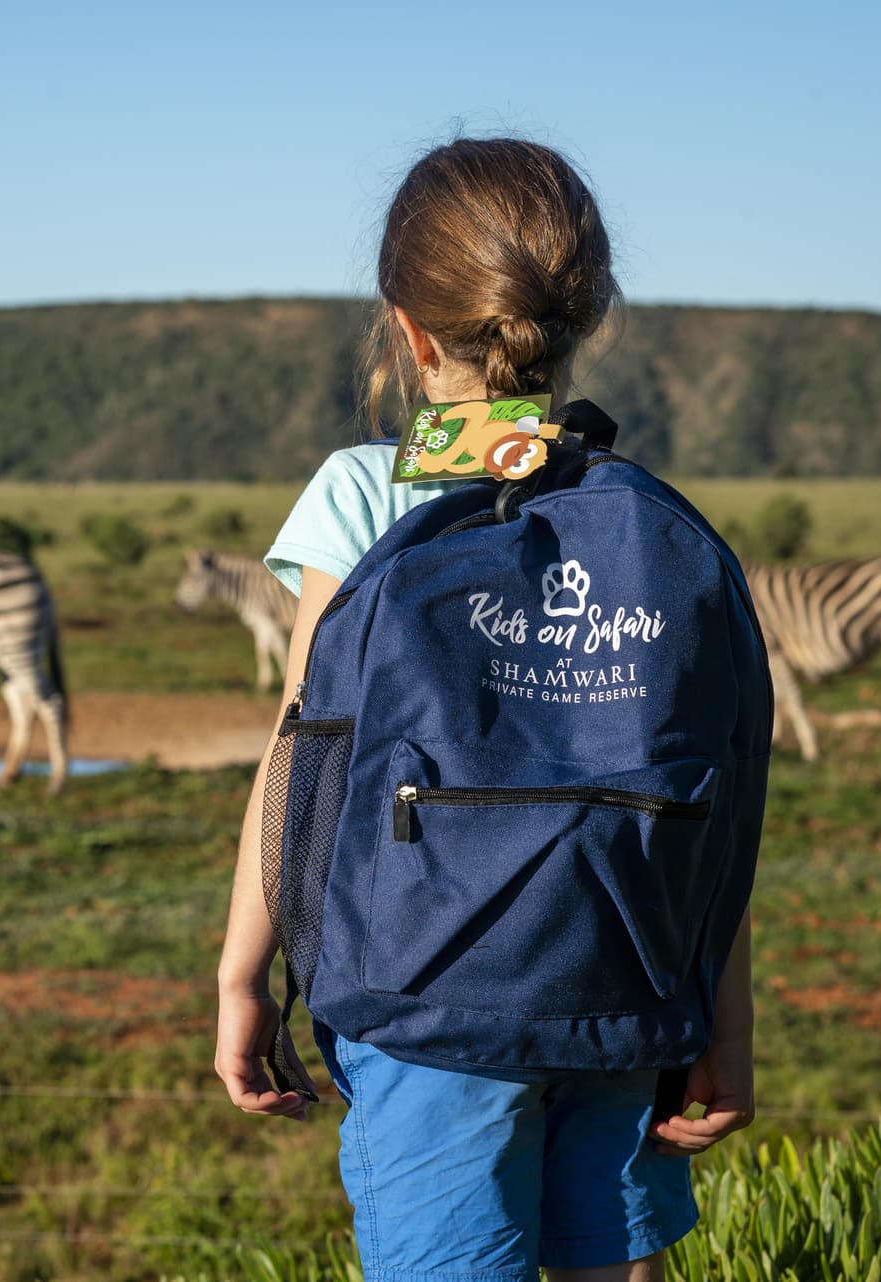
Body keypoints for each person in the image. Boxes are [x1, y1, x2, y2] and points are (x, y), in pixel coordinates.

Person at [214, 137, 755, 1282]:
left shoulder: (362, 491)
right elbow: (706, 798)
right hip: (623, 989)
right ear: (585, 314)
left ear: (407, 330)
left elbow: (299, 756)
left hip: (426, 1004)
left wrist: (240, 975)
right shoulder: (648, 525)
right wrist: (720, 1018)